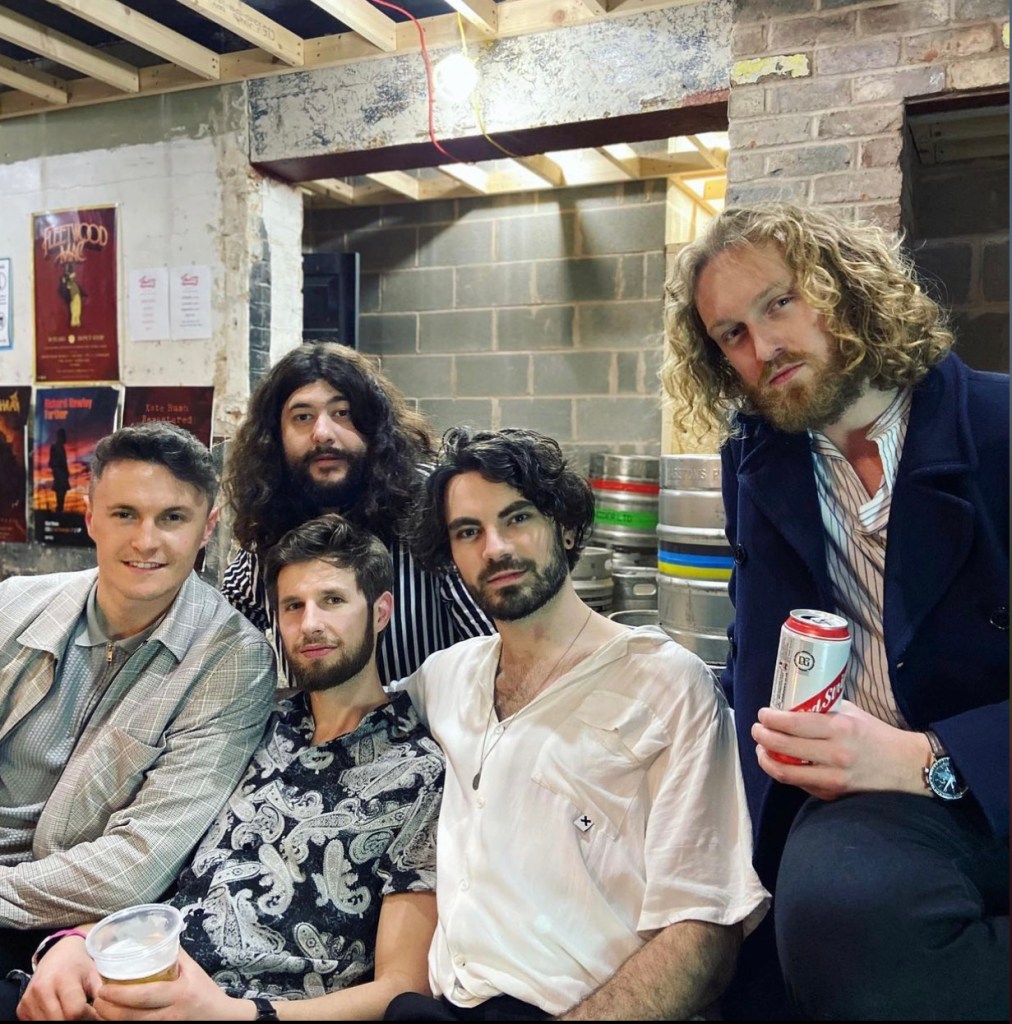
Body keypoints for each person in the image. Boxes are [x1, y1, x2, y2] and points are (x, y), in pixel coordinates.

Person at [662, 202, 1009, 1020]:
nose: (764, 349)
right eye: (732, 334)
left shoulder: (997, 428)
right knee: (828, 917)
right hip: (869, 803)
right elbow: (753, 645)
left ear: (847, 288)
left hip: (980, 761)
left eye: (779, 303)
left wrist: (928, 758)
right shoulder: (758, 463)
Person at [387, 427, 768, 1021]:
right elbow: (345, 711)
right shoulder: (445, 679)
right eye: (468, 532)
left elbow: (703, 932)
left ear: (565, 526)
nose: (495, 548)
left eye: (517, 518)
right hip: (446, 1005)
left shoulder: (666, 683)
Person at [13, 514, 443, 1022]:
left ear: (380, 611)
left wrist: (234, 1013)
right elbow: (160, 860)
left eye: (332, 600)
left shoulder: (419, 771)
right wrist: (75, 942)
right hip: (142, 979)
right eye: (293, 606)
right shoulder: (252, 723)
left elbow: (401, 988)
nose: (310, 624)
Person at [0, 422, 276, 976]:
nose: (146, 541)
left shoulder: (233, 662)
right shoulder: (13, 605)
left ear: (207, 528)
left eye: (172, 518)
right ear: (90, 518)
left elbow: (137, 864)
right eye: (125, 514)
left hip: (62, 932)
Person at [221, 341, 492, 685]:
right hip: (320, 717)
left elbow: (493, 642)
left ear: (373, 421)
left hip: (435, 713)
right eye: (302, 417)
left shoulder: (432, 499)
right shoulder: (271, 514)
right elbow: (226, 633)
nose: (322, 434)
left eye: (342, 413)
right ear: (275, 436)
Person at [48, 427, 69, 514]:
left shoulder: (61, 448)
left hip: (62, 473)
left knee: (62, 491)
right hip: (58, 473)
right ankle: (59, 509)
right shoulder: (54, 447)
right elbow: (51, 462)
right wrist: (57, 469)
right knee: (60, 491)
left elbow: (64, 462)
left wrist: (66, 472)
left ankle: (60, 509)